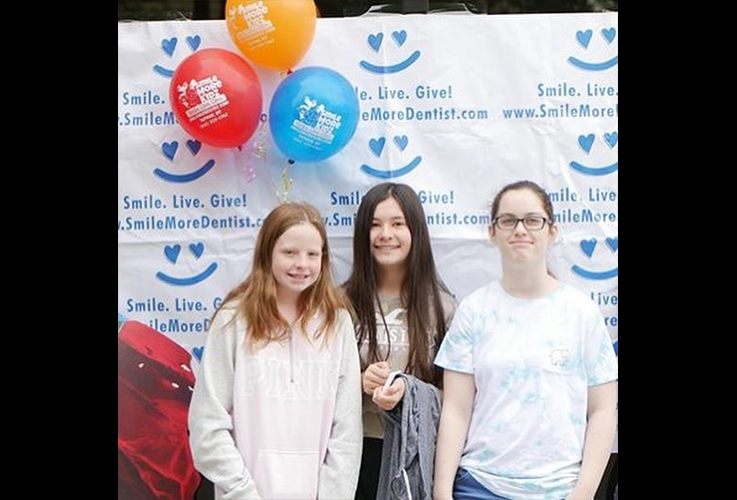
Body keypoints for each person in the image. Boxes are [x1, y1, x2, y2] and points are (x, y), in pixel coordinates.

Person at [433, 180, 618, 500]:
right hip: (479, 485)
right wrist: (442, 492)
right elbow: (456, 409)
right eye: (508, 220)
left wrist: (584, 492)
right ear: (492, 232)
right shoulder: (474, 310)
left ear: (552, 231)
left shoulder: (581, 313)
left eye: (533, 220)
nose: (520, 230)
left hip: (560, 489)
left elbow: (602, 409)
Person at [188, 202, 363, 500]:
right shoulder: (233, 319)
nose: (302, 264)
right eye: (290, 252)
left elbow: (346, 429)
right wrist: (243, 492)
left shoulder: (338, 322)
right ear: (267, 252)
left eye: (312, 254)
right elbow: (207, 425)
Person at [343, 182, 457, 500]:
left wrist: (412, 393)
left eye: (397, 224)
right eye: (375, 225)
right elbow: (315, 387)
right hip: (354, 450)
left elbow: (458, 398)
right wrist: (358, 381)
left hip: (417, 452)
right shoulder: (339, 303)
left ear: (415, 231)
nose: (385, 234)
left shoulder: (443, 307)